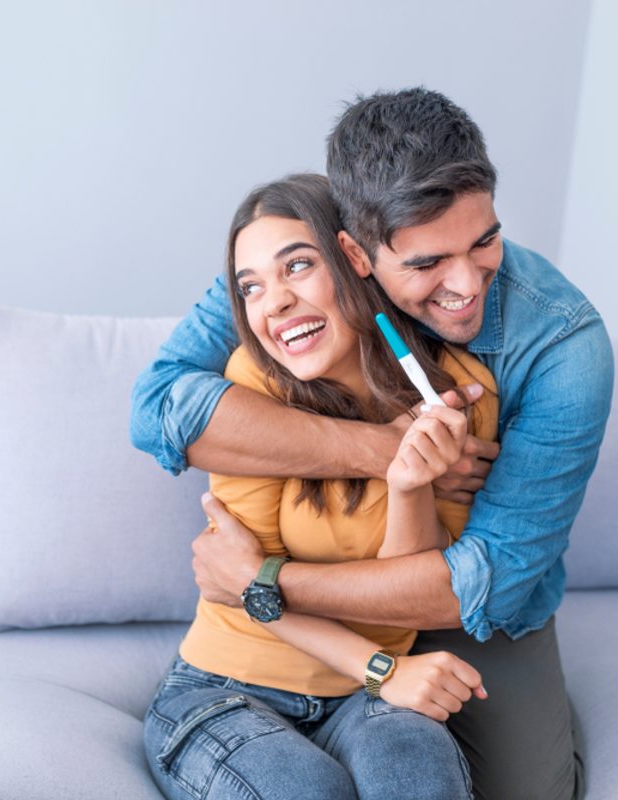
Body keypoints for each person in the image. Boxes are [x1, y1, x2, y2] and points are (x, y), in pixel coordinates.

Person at [131, 88, 614, 800]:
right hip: (260, 669)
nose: (465, 283)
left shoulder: (553, 350)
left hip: (476, 601)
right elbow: (159, 407)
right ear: (355, 252)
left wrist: (263, 582)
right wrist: (381, 453)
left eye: (483, 240)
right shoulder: (299, 267)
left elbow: (478, 580)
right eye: (423, 264)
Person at [144, 172, 496, 800]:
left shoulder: (459, 394)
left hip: (364, 696)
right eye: (250, 287)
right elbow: (235, 586)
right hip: (227, 688)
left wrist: (410, 485)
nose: (272, 303)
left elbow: (404, 600)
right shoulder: (253, 388)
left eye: (297, 266)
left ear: (356, 257)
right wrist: (383, 671)